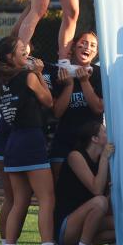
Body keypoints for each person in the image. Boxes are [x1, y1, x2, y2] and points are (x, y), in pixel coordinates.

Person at [0, 36, 67, 245]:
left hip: (12, 143)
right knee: (47, 198)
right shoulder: (28, 76)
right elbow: (49, 102)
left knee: (19, 199)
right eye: (20, 49)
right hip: (31, 140)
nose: (26, 50)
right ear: (9, 57)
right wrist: (41, 74)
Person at [53, 120, 116, 245]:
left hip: (84, 222)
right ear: (94, 139)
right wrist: (105, 158)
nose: (109, 134)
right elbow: (96, 190)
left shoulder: (101, 159)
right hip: (66, 227)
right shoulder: (75, 156)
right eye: (104, 132)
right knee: (100, 202)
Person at [48, 31, 104, 179]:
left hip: (90, 143)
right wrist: (68, 85)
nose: (88, 47)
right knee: (59, 188)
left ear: (96, 52)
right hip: (65, 139)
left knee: (90, 188)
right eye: (84, 43)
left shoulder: (99, 74)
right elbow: (57, 113)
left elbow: (98, 108)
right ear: (73, 46)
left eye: (93, 45)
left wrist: (85, 82)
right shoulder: (62, 72)